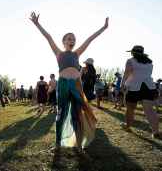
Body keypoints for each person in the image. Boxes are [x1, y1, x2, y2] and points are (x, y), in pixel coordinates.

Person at [30, 12, 108, 151]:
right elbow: (48, 37)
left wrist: (104, 28)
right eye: (69, 39)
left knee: (76, 115)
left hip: (77, 86)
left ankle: (79, 145)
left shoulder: (76, 54)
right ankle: (58, 144)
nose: (72, 41)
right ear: (64, 41)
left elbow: (90, 39)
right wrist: (37, 24)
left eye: (74, 39)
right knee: (61, 114)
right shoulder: (59, 54)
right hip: (64, 84)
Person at [120, 45, 161, 139]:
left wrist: (122, 85)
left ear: (133, 52)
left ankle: (128, 126)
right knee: (150, 111)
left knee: (130, 108)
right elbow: (147, 74)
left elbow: (127, 73)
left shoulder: (130, 61)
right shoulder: (150, 63)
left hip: (134, 87)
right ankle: (156, 132)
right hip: (149, 87)